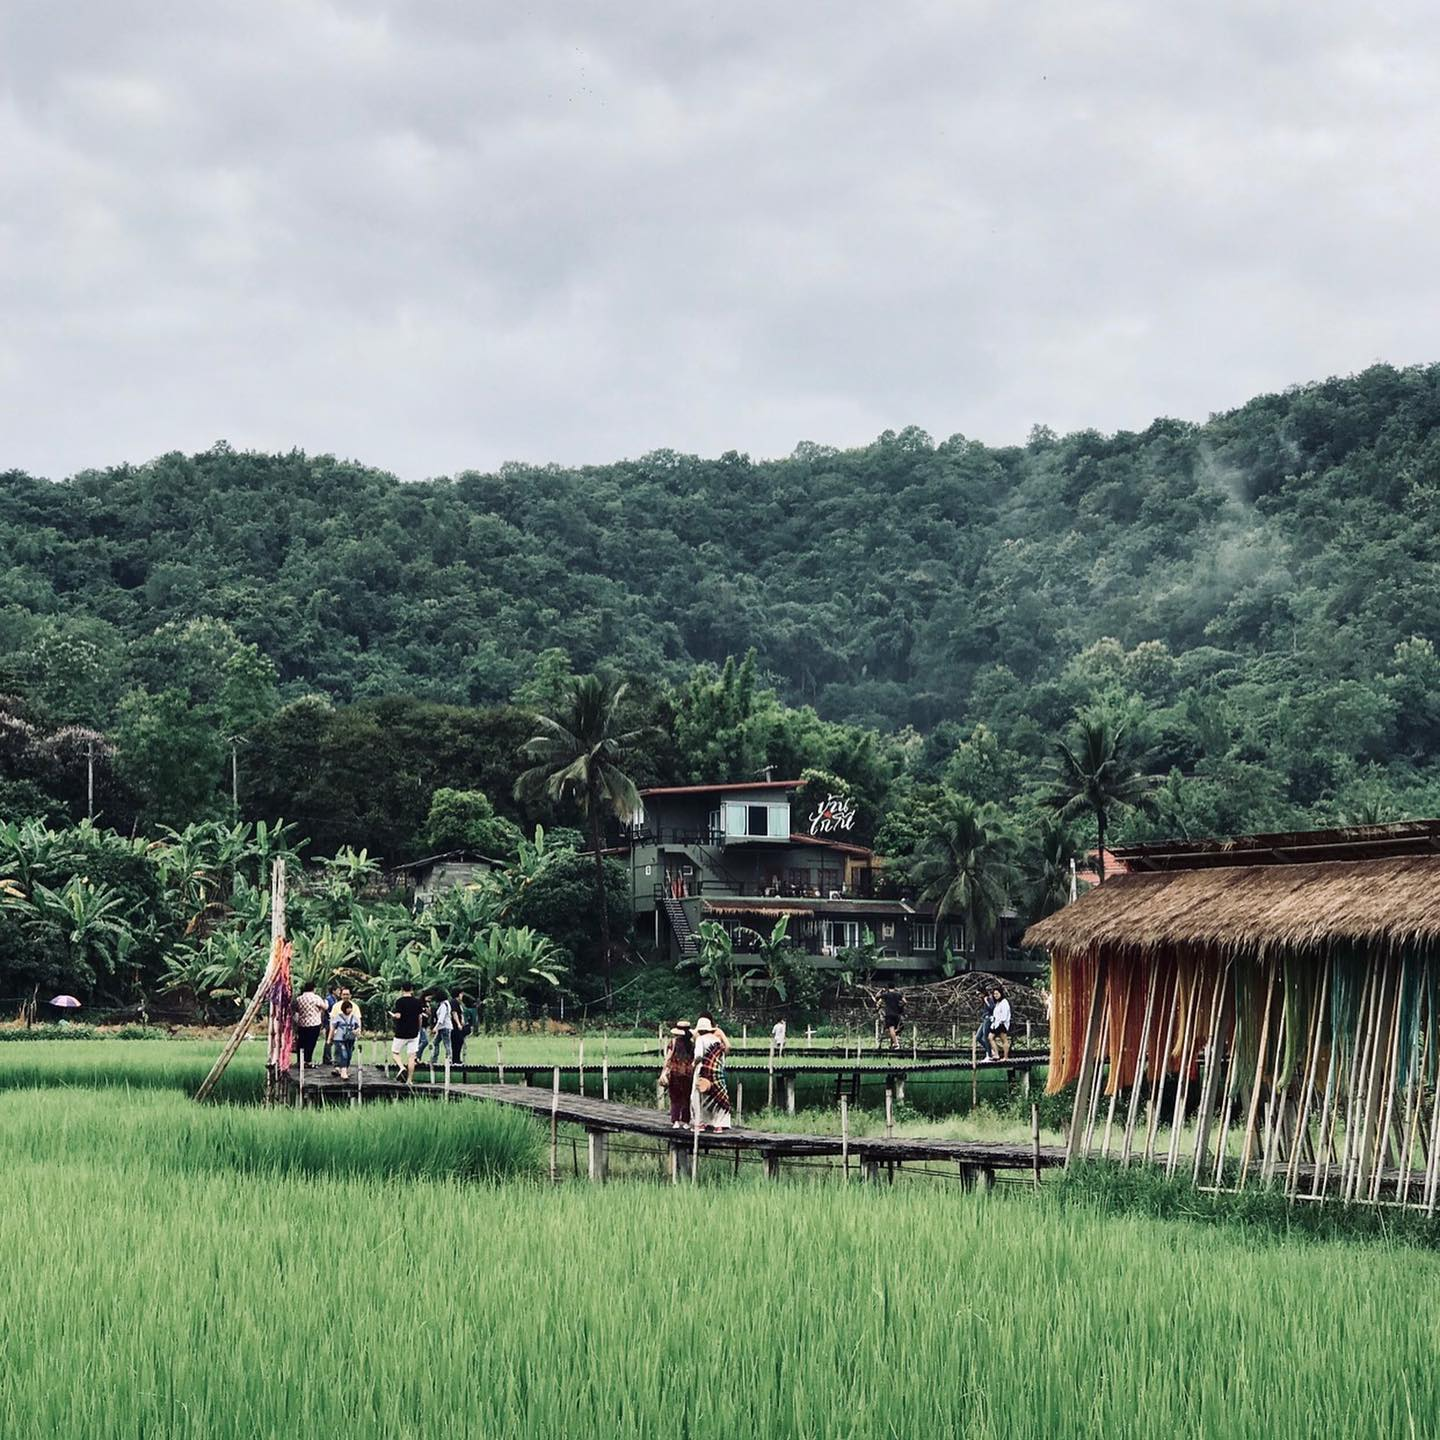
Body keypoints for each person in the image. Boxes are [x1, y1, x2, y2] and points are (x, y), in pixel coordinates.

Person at [691, 1014, 732, 1131]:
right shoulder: (717, 1040)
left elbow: (699, 1055)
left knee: (698, 1096)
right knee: (716, 1097)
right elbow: (722, 1057)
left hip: (703, 1070)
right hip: (716, 1072)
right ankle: (718, 1125)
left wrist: (694, 1063)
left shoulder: (700, 1039)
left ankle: (700, 1123)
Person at [660, 1021, 695, 1128]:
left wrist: (664, 1071)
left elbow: (668, 1057)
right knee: (686, 1098)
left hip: (675, 1073)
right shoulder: (692, 1044)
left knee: (675, 1098)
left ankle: (675, 1121)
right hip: (688, 1074)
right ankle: (686, 1122)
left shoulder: (674, 1042)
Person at [389, 981, 425, 1084]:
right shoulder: (417, 1002)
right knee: (412, 1056)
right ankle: (409, 1080)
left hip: (401, 1032)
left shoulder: (399, 1001)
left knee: (395, 1052)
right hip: (414, 1032)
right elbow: (420, 1017)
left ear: (401, 989)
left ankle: (401, 1067)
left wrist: (393, 1016)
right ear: (412, 990)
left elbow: (399, 1016)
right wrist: (419, 1029)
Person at [294, 980, 327, 1067]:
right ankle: (308, 1060)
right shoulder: (316, 998)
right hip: (314, 1023)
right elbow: (324, 1007)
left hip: (302, 1023)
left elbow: (296, 1010)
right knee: (311, 1042)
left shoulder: (299, 998)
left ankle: (300, 1060)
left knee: (301, 1042)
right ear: (313, 988)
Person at [329, 998, 361, 1080]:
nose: (349, 1010)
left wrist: (356, 1032)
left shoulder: (354, 1018)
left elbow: (357, 1027)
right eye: (348, 1008)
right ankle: (343, 1073)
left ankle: (344, 1069)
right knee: (344, 1054)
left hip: (350, 1039)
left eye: (350, 1008)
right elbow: (332, 1028)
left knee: (349, 1055)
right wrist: (330, 1038)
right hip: (339, 1039)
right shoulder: (338, 1017)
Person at [423, 990, 453, 1067]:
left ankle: (449, 1059)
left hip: (444, 1027)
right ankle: (434, 1059)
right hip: (442, 1027)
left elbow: (441, 1018)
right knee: (435, 1042)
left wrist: (436, 1027)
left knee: (447, 1044)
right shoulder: (445, 1004)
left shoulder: (444, 1005)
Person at [452, 990, 476, 1065]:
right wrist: (458, 1023)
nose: (462, 996)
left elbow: (461, 1013)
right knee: (457, 1042)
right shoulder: (454, 1002)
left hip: (459, 1025)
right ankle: (455, 1059)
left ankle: (457, 1059)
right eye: (461, 994)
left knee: (459, 1041)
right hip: (455, 1026)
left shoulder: (459, 1003)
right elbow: (454, 1013)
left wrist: (462, 1021)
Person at [990, 986, 1012, 1061]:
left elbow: (1005, 1014)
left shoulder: (1004, 1002)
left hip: (1002, 1024)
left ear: (1001, 994)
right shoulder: (997, 1003)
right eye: (994, 994)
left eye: (997, 994)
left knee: (1004, 1040)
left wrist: (1001, 1022)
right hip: (996, 1024)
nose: (995, 995)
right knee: (990, 1037)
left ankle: (1005, 1057)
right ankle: (996, 1054)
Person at [880, 985, 904, 1050]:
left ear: (888, 988)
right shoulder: (898, 995)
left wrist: (881, 990)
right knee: (894, 1030)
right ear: (894, 988)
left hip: (889, 1015)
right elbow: (905, 1001)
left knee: (891, 1029)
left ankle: (896, 1044)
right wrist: (901, 1007)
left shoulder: (886, 995)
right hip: (897, 1015)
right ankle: (893, 1043)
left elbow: (877, 996)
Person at [321, 981, 340, 1065]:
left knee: (331, 1040)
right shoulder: (329, 999)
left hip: (333, 1021)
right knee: (329, 1040)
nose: (339, 992)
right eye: (338, 990)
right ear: (333, 991)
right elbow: (326, 1009)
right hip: (329, 1022)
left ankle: (328, 1057)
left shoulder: (334, 999)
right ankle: (327, 1058)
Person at [975, 989, 995, 1060]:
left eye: (979, 994)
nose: (979, 996)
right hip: (984, 1019)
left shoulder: (989, 999)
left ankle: (989, 1055)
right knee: (978, 1037)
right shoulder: (983, 1001)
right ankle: (989, 1050)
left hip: (988, 1019)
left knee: (986, 1036)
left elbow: (992, 1008)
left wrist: (986, 1001)